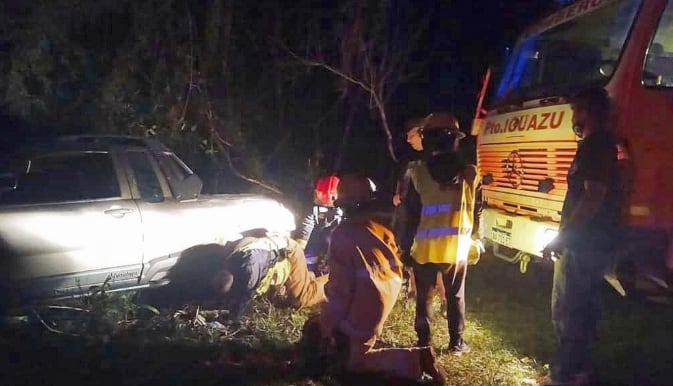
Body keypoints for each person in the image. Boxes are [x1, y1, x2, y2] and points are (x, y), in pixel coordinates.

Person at [300, 172, 447, 385]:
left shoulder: (343, 234)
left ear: (343, 203)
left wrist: (325, 325)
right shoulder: (380, 228)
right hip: (385, 295)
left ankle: (417, 358)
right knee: (351, 347)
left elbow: (341, 292)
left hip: (366, 303)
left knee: (353, 366)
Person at [539, 88, 622, 386]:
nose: (574, 117)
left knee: (568, 309)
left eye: (576, 111)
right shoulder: (602, 145)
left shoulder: (595, 145)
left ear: (588, 112)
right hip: (593, 241)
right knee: (583, 309)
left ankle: (563, 375)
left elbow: (593, 197)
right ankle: (580, 372)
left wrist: (564, 236)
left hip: (583, 242)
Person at [400, 112, 483, 355]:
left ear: (427, 139)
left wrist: (404, 248)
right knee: (455, 296)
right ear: (455, 139)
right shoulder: (470, 173)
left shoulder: (417, 173)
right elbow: (477, 210)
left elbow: (410, 216)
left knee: (424, 297)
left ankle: (424, 343)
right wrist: (476, 240)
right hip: (456, 249)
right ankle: (456, 343)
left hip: (424, 250)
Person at [211, 233, 329, 322]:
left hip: (290, 251)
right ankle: (307, 277)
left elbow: (244, 298)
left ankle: (337, 279)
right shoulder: (231, 263)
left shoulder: (250, 270)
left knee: (302, 298)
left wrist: (231, 319)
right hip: (276, 252)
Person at [293, 174, 343, 274]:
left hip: (334, 235)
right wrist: (300, 246)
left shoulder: (342, 210)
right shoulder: (312, 207)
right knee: (309, 252)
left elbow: (339, 231)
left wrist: (328, 258)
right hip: (316, 232)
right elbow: (307, 223)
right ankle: (306, 271)